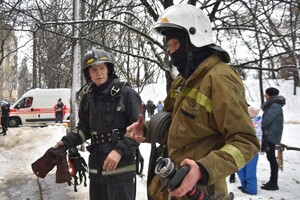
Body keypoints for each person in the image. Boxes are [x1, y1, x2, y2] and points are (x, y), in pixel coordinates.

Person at [127, 4, 259, 200]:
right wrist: (146, 130)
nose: (170, 52)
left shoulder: (220, 78)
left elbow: (245, 142)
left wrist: (203, 169)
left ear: (192, 41)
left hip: (202, 191)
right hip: (172, 186)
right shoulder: (183, 80)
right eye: (168, 45)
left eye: (174, 44)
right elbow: (172, 122)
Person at [54, 48, 142, 200]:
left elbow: (139, 130)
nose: (99, 73)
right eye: (94, 70)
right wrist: (66, 142)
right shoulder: (88, 98)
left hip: (121, 168)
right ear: (88, 73)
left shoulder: (126, 93)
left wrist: (119, 151)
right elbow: (84, 129)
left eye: (102, 68)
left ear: (109, 69)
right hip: (97, 169)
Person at [261, 87, 285, 191]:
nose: (264, 95)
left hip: (271, 135)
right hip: (270, 134)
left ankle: (273, 182)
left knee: (271, 158)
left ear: (270, 95)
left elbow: (267, 120)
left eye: (265, 94)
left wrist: (258, 125)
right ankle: (272, 181)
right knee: (270, 158)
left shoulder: (274, 106)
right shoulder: (273, 105)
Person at [237, 105, 262, 195]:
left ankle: (251, 189)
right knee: (241, 168)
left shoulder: (253, 124)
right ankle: (245, 185)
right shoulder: (252, 122)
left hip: (252, 151)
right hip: (245, 149)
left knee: (250, 170)